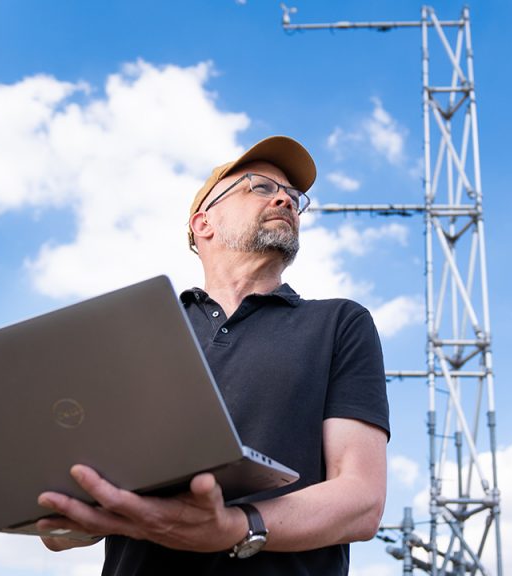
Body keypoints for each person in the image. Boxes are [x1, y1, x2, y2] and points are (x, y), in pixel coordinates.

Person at [35, 136, 391, 575]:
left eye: (294, 197)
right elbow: (57, 534)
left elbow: (361, 500)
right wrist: (90, 516)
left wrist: (238, 527)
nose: (285, 198)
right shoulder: (136, 332)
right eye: (259, 187)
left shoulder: (340, 324)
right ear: (203, 223)